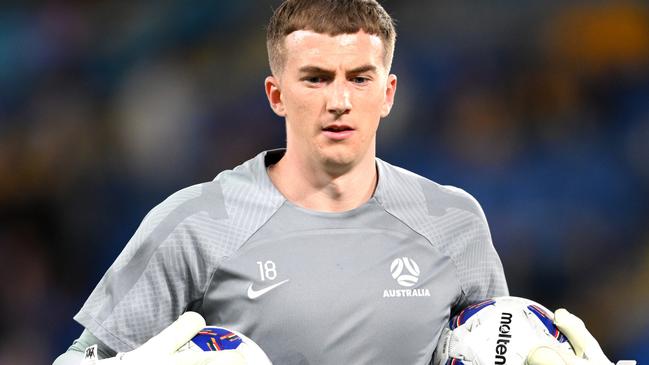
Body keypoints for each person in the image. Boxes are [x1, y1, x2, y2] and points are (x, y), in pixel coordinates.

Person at [54, 0, 609, 363]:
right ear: (276, 94)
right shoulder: (193, 223)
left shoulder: (454, 222)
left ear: (388, 93)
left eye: (359, 78)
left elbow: (495, 343)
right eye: (315, 79)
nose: (339, 101)